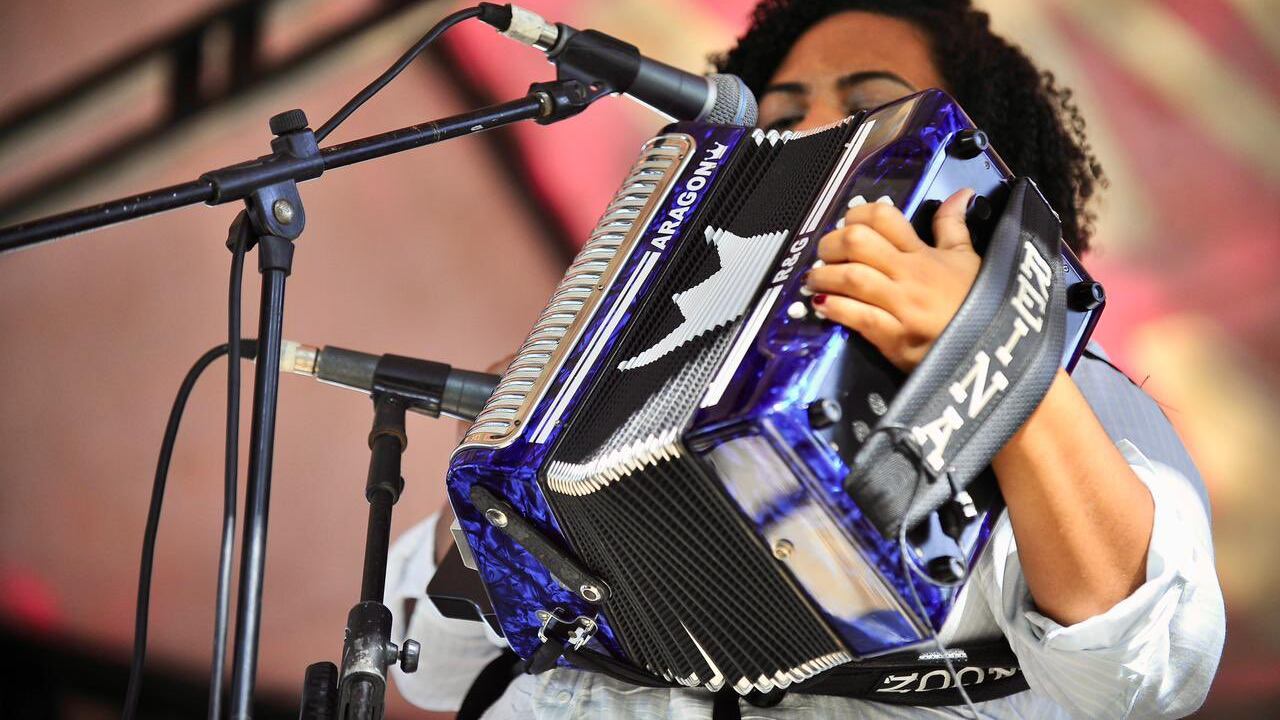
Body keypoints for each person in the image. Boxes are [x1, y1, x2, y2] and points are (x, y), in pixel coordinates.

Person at [385, 1, 1225, 717]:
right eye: (784, 118)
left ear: (977, 158)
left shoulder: (1064, 375)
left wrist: (992, 345)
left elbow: (1143, 675)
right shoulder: (632, 359)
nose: (824, 129)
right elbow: (423, 659)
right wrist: (504, 469)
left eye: (873, 109)